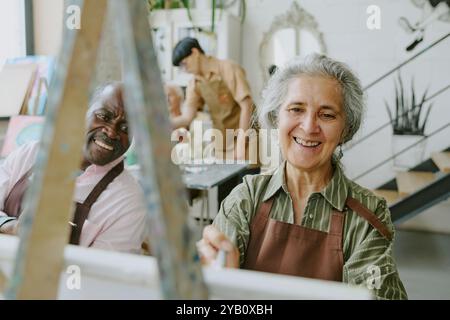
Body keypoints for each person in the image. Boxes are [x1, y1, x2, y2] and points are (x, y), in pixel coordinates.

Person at [197, 54, 408, 300]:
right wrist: (215, 276)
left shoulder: (368, 215)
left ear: (345, 129)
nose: (309, 127)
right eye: (296, 109)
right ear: (276, 118)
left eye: (327, 115)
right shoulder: (246, 198)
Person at [0, 82, 147, 254]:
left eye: (125, 128)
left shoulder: (129, 201)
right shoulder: (32, 153)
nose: (111, 132)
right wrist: (12, 227)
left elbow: (101, 274)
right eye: (104, 116)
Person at [171, 37, 255, 161]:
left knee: (246, 178)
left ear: (195, 52)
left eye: (184, 64)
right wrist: (161, 124)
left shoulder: (228, 68)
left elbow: (247, 105)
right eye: (181, 67)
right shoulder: (194, 83)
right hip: (223, 143)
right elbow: (187, 117)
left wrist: (241, 144)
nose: (185, 70)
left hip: (245, 139)